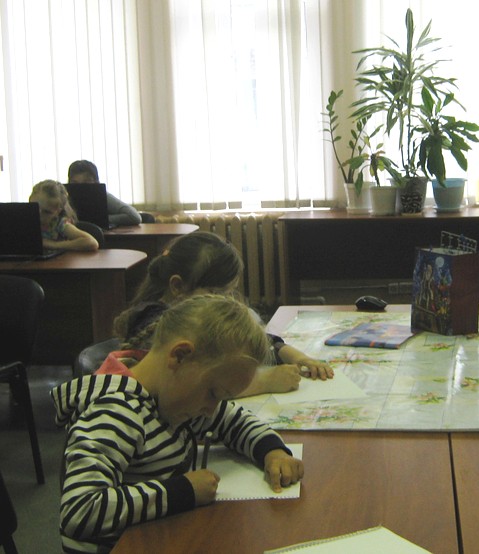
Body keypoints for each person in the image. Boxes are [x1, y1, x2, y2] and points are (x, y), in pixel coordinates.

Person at [52, 294, 303, 552]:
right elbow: (79, 511)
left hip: (157, 534)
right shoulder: (116, 413)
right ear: (180, 356)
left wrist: (272, 451)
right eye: (213, 393)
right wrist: (182, 491)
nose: (211, 410)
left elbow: (233, 420)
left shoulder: (172, 399)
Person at [112, 230, 333, 395]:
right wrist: (265, 382)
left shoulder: (199, 316)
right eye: (216, 292)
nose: (225, 301)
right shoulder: (157, 327)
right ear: (178, 286)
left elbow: (255, 342)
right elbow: (188, 387)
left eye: (229, 292)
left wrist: (299, 357)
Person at [29, 179, 99, 251]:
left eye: (47, 212)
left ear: (58, 211)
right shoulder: (27, 221)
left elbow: (92, 242)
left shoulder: (60, 224)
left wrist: (52, 245)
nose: (39, 215)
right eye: (34, 209)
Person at [67, 159, 142, 226]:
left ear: (96, 182)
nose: (80, 188)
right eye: (74, 183)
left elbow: (134, 216)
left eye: (86, 183)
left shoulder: (103, 195)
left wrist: (102, 220)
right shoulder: (64, 196)